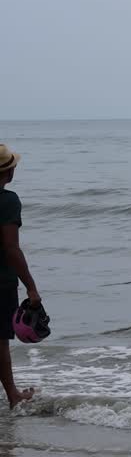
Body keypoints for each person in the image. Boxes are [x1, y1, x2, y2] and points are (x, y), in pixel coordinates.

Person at [0, 145, 40, 409]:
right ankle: (13, 394)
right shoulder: (8, 200)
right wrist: (31, 288)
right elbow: (11, 249)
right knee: (0, 340)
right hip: (0, 281)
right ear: (8, 170)